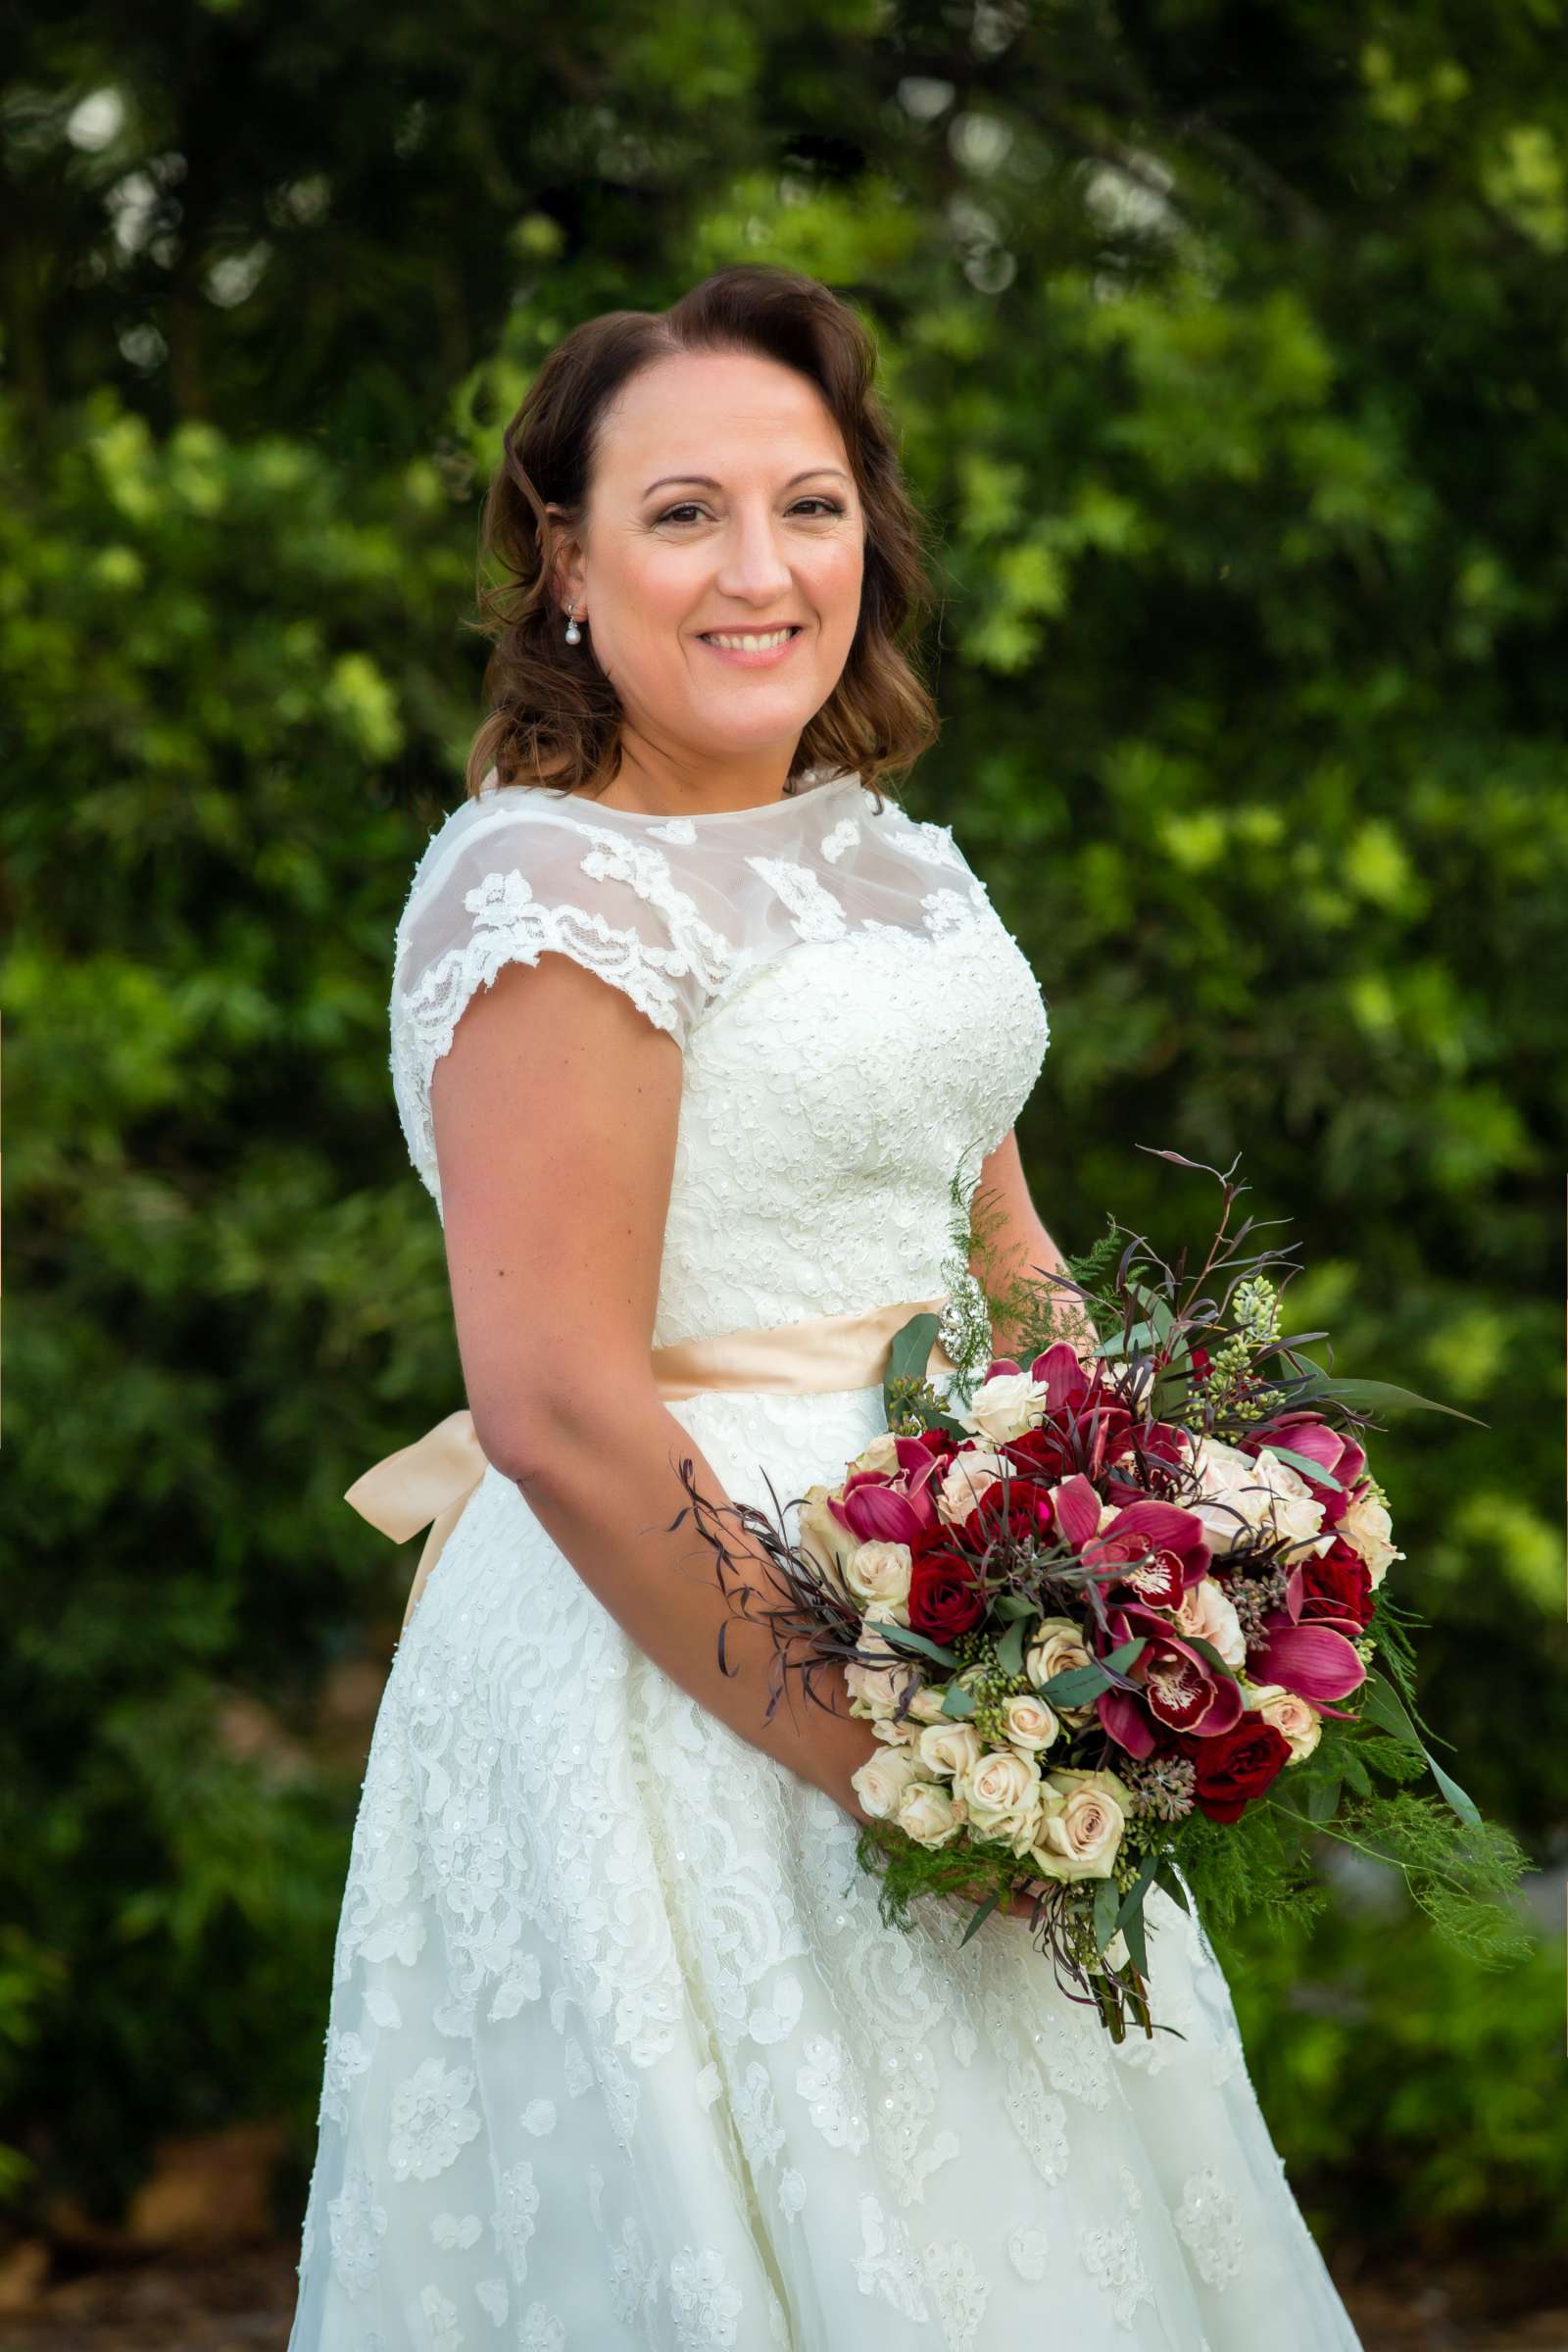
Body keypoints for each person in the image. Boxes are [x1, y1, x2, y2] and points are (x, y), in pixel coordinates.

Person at [286, 264, 1363, 2350]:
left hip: (970, 1626)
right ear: (562, 560)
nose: (758, 568)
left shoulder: (885, 857)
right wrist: (887, 1767)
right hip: (684, 1670)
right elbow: (560, 1412)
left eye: (809, 503)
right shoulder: (548, 897)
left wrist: (1165, 1558)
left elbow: (1000, 1250)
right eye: (681, 512)